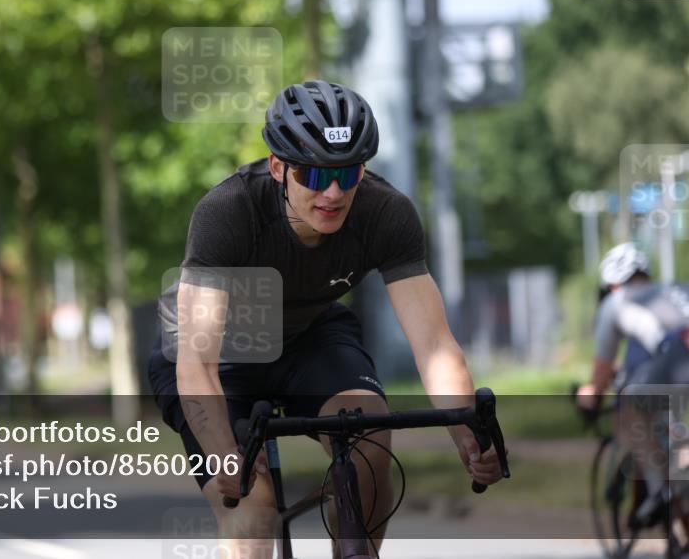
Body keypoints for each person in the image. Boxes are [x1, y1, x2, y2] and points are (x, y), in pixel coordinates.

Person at [148, 80, 504, 558]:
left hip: (310, 337)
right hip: (217, 357)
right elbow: (197, 362)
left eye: (348, 173)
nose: (333, 193)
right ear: (278, 167)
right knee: (253, 511)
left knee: (370, 440)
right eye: (314, 177)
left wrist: (469, 435)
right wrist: (223, 455)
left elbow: (434, 345)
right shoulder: (229, 212)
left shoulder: (386, 212)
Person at [577, 242, 689, 525]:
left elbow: (601, 371)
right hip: (674, 362)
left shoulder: (616, 302)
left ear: (612, 284)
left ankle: (659, 492)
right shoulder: (672, 290)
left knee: (629, 403)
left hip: (679, 356)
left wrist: (588, 395)